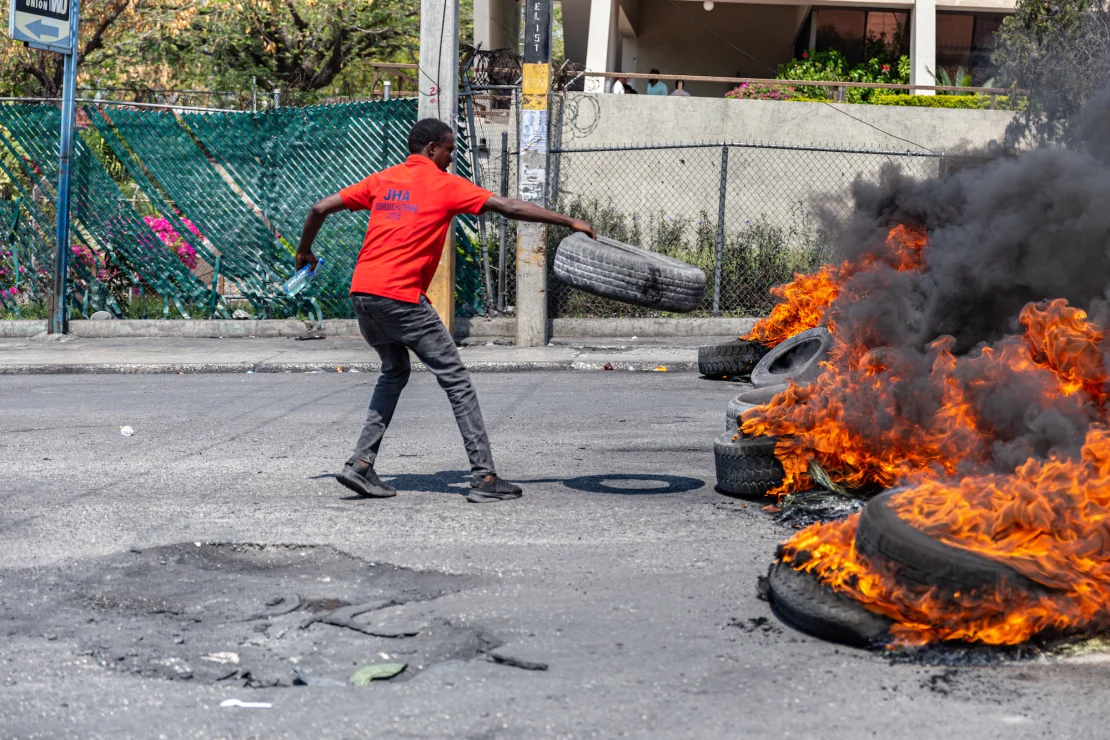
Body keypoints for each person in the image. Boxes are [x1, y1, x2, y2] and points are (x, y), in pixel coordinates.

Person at [295, 119, 595, 504]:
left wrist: (304, 252)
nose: (452, 158)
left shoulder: (382, 180)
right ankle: (484, 477)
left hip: (363, 295)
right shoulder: (445, 185)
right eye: (450, 150)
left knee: (395, 371)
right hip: (401, 298)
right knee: (457, 381)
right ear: (432, 148)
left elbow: (320, 207)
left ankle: (360, 465)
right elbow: (507, 206)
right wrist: (568, 220)